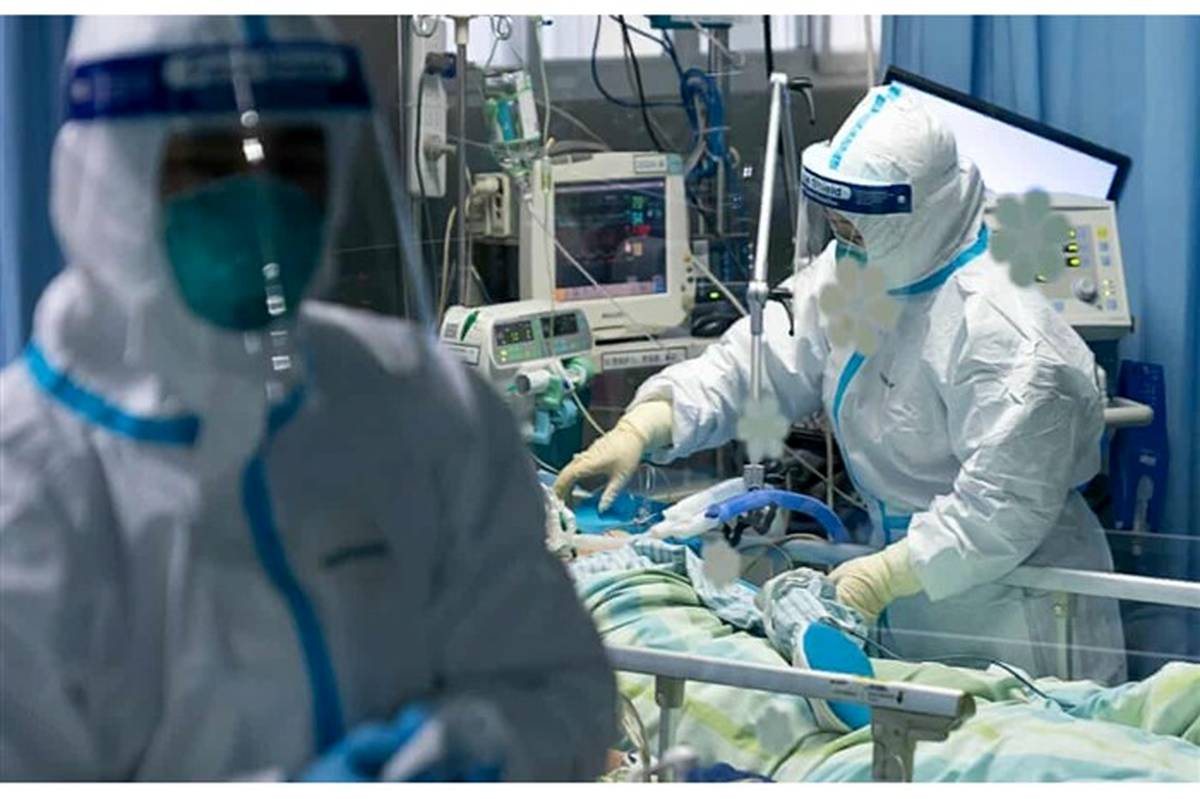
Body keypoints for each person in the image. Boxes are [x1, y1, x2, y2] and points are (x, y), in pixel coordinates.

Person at [0, 16, 615, 780]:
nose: (264, 199)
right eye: (214, 161)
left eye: (297, 160)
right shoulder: (28, 489)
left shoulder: (425, 404)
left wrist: (478, 746)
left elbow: (563, 686)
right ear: (115, 177)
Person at [555, 84, 1125, 683]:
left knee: (1019, 732)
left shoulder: (1007, 336)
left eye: (855, 224)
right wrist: (647, 422)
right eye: (836, 220)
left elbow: (999, 510)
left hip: (1017, 605)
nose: (841, 234)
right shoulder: (865, 266)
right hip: (910, 593)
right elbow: (758, 365)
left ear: (915, 215)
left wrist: (883, 577)